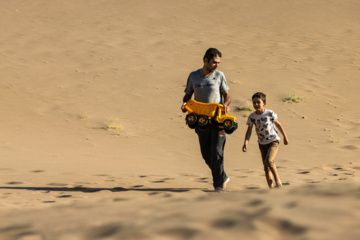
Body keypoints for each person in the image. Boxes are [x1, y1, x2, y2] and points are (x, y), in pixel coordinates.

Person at [181, 48, 231, 193]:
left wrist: (226, 105)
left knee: (217, 152)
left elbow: (227, 95)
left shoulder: (220, 75)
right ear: (206, 60)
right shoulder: (193, 76)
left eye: (218, 63)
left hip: (218, 119)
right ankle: (223, 176)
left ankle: (218, 186)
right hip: (200, 120)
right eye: (214, 62)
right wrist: (185, 104)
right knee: (206, 154)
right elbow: (188, 95)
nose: (217, 65)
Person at [242, 92, 289, 188]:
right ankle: (271, 189)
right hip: (262, 144)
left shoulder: (269, 113)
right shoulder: (252, 117)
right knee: (266, 168)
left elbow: (278, 125)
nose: (256, 104)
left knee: (269, 160)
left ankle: (278, 180)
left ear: (264, 103)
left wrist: (285, 136)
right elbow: (249, 131)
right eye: (254, 102)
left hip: (273, 141)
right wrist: (245, 143)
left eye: (258, 102)